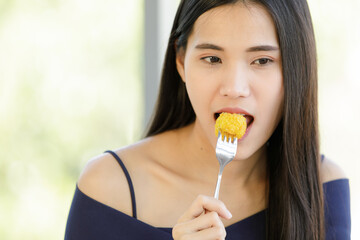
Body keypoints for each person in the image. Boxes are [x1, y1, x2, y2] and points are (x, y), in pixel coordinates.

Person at [65, 0, 351, 239]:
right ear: (181, 62)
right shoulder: (109, 189)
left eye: (262, 60)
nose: (235, 88)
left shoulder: (323, 187)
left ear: (297, 69)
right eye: (212, 59)